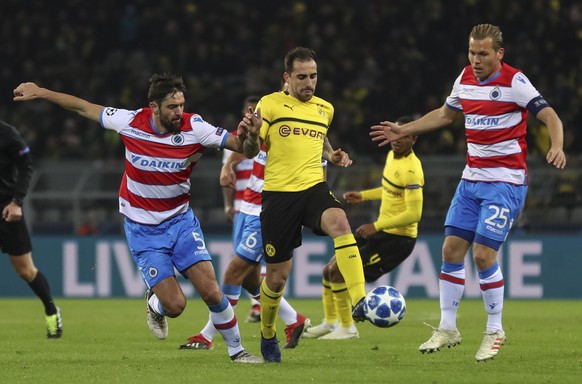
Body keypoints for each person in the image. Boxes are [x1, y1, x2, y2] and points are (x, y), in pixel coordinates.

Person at [13, 74, 264, 363]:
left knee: (210, 290)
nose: (178, 112)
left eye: (181, 105)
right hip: (143, 229)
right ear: (154, 107)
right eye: (172, 107)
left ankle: (237, 352)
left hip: (180, 221)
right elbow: (83, 107)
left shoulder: (195, 127)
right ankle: (155, 303)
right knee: (176, 305)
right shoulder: (130, 122)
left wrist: (253, 136)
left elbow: (244, 149)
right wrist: (41, 91)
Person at [370, 24, 566, 362]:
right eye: (472, 53)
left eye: (483, 54)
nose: (476, 60)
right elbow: (446, 115)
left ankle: (494, 329)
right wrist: (404, 129)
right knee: (450, 249)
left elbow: (550, 116)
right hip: (471, 181)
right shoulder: (464, 78)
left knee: (482, 256)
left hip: (505, 182)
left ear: (499, 54)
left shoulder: (515, 82)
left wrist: (557, 146)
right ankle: (448, 327)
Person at [252, 47, 368, 363]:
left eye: (313, 76)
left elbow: (320, 137)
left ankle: (360, 301)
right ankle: (267, 335)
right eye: (302, 76)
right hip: (279, 195)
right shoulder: (270, 104)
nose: (309, 83)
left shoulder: (324, 109)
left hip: (314, 188)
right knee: (276, 278)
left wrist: (330, 155)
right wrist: (249, 135)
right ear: (287, 78)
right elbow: (253, 146)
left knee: (341, 222)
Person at [180, 141, 310, 351]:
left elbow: (316, 178)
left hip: (266, 210)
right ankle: (294, 319)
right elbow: (246, 146)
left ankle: (207, 336)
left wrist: (301, 216)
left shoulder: (306, 134)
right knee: (250, 279)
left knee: (233, 274)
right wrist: (228, 164)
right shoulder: (268, 120)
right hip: (246, 208)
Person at [304, 116, 424, 340]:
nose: (396, 139)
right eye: (395, 132)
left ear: (413, 139)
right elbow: (390, 190)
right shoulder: (392, 156)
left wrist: (375, 226)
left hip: (397, 241)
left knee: (339, 271)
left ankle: (348, 328)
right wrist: (364, 196)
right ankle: (331, 322)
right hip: (381, 232)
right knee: (329, 269)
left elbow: (414, 214)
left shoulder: (412, 169)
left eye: (403, 134)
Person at [0, 120, 63, 339]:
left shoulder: (7, 134)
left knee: (25, 270)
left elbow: (26, 165)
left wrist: (17, 201)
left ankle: (51, 311)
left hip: (6, 210)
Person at [220, 95, 263, 323]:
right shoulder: (233, 142)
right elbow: (227, 178)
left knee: (253, 262)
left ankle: (258, 307)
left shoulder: (269, 137)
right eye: (251, 112)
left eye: (259, 112)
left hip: (265, 206)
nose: (255, 115)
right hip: (241, 207)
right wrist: (228, 204)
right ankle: (277, 311)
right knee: (245, 262)